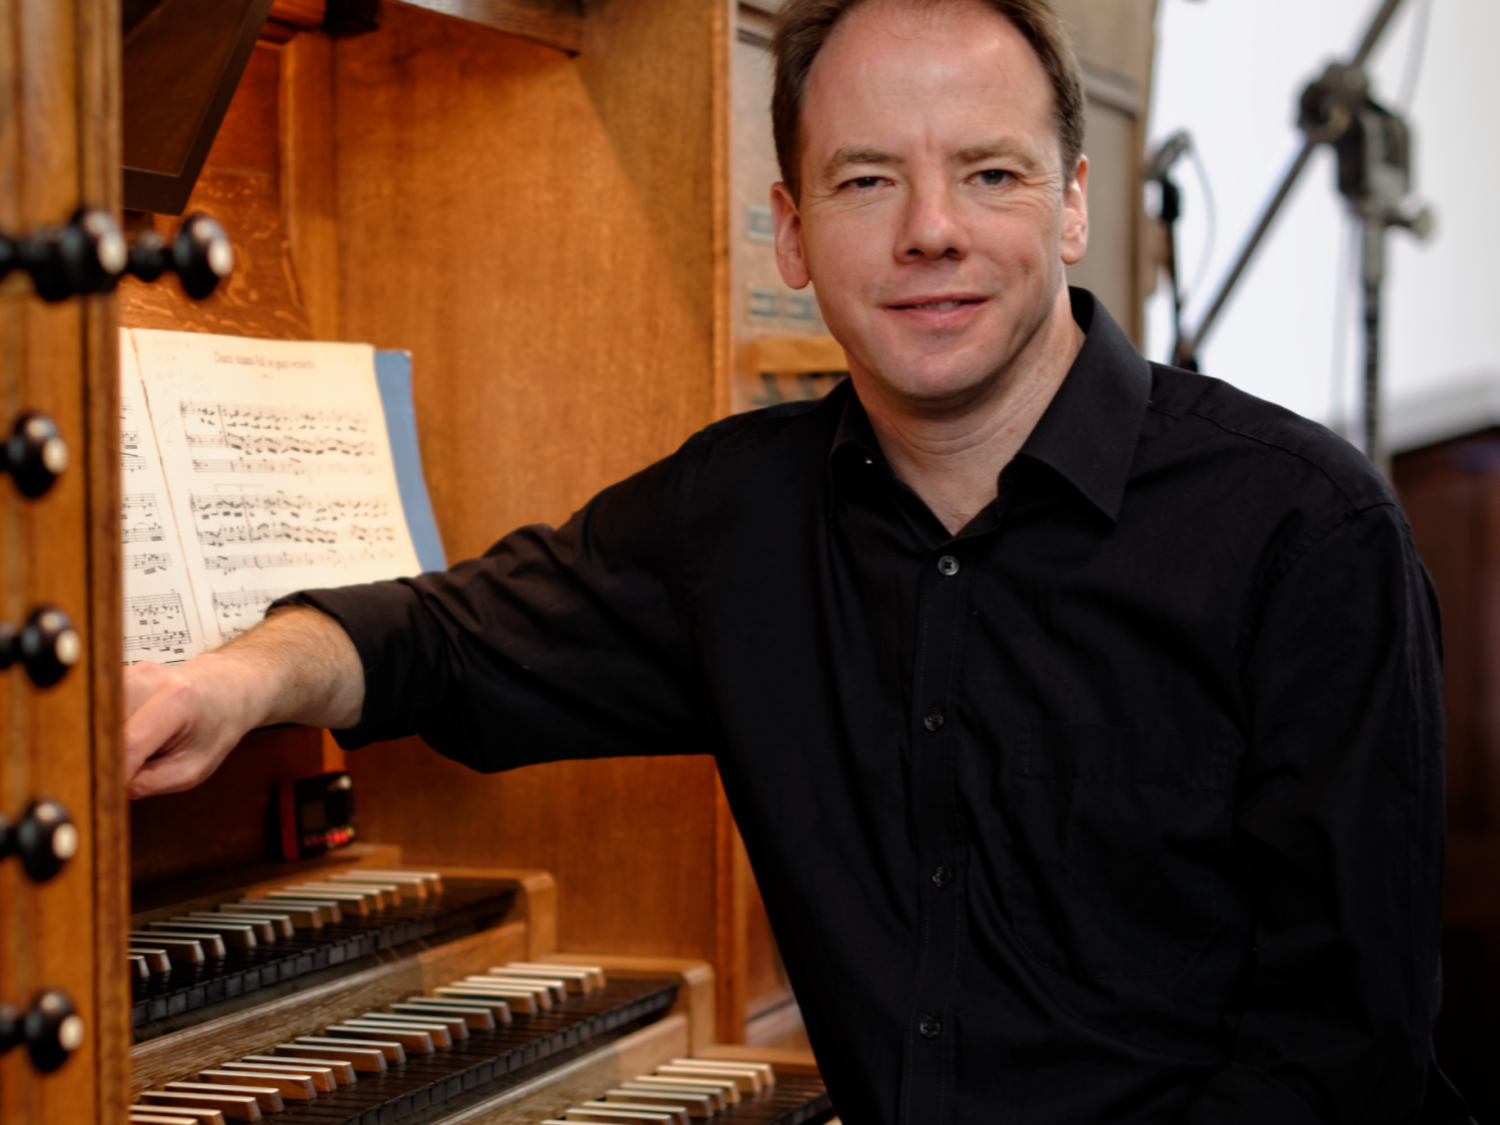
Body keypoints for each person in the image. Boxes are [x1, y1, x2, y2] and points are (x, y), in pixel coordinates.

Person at [124, 0, 1469, 1121]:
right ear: (791, 231)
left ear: (1070, 208)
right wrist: (230, 683)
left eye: (988, 174)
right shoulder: (739, 517)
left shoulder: (1305, 532)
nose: (929, 229)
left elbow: (1339, 1068)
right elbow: (448, 637)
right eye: (868, 179)